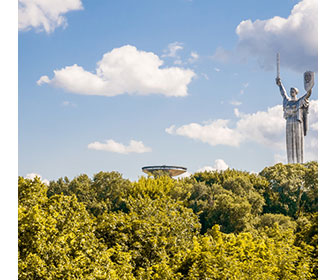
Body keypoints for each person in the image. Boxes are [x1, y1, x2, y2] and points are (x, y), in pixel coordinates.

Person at [276, 77, 312, 163]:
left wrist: (309, 86)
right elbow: (283, 93)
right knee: (289, 143)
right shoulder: (287, 101)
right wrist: (280, 84)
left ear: (296, 93)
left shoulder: (299, 101)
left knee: (298, 142)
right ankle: (290, 163)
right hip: (289, 122)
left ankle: (299, 163)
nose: (291, 92)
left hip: (297, 122)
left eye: (293, 91)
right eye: (291, 91)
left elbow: (307, 95)